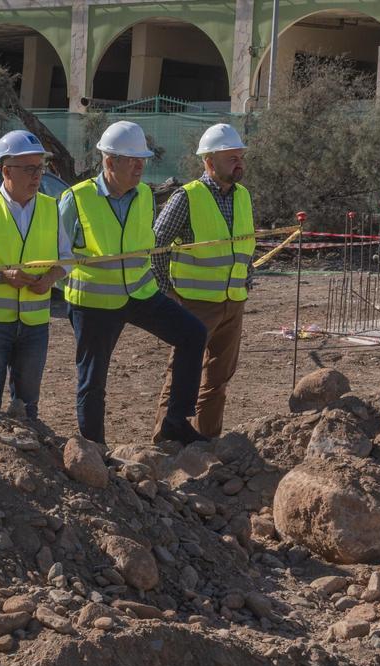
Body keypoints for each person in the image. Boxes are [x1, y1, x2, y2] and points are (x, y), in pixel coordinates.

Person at [58, 121, 207, 445]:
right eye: (133, 160)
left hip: (141, 293)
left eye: (143, 160)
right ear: (109, 162)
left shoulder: (144, 195)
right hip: (94, 303)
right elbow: (57, 254)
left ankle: (175, 423)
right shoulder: (76, 199)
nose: (141, 166)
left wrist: (162, 285)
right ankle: (94, 450)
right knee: (92, 381)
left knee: (193, 334)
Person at [150, 124, 253, 441]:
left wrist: (247, 279)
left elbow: (244, 246)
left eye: (240, 156)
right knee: (181, 373)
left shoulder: (243, 196)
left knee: (218, 380)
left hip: (233, 303)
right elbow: (157, 244)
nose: (239, 162)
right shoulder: (187, 197)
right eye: (231, 157)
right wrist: (167, 291)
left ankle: (208, 442)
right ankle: (163, 444)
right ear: (209, 162)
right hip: (194, 304)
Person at [0, 131, 69, 420]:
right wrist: (0, 276)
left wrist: (51, 277)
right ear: (6, 170)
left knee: (28, 406)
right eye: (29, 169)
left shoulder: (50, 208)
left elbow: (67, 258)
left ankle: (30, 461)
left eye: (39, 168)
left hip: (35, 324)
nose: (36, 176)